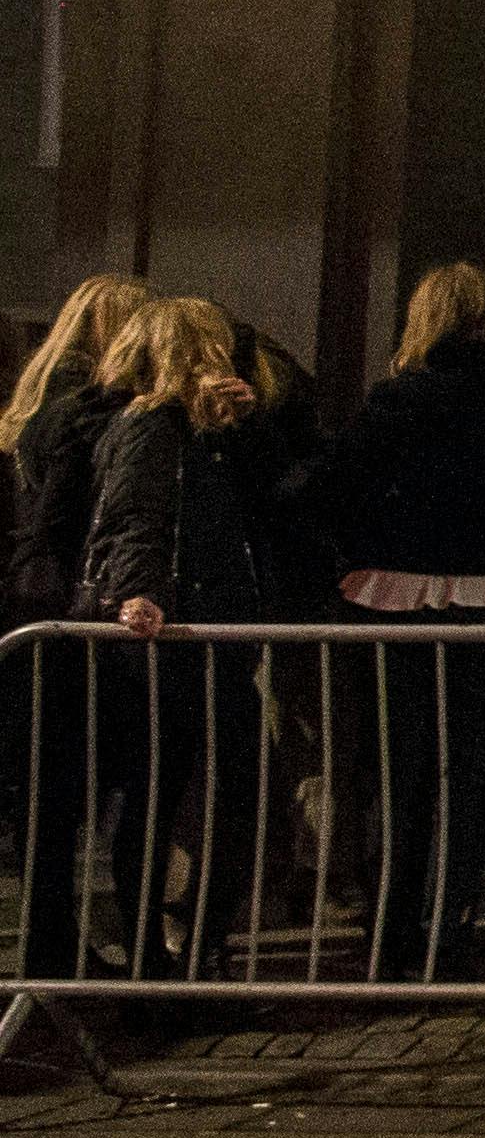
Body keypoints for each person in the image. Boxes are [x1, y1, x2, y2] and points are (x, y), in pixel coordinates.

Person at [314, 264, 485, 978]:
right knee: (468, 773)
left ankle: (391, 930)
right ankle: (449, 927)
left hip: (395, 593)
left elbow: (336, 485)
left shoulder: (396, 402)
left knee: (398, 774)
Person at [84, 298, 283, 980]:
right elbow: (135, 516)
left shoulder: (203, 431)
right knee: (172, 793)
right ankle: (163, 955)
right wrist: (140, 594)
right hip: (176, 639)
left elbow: (269, 500)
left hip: (209, 634)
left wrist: (255, 422)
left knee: (207, 794)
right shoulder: (152, 426)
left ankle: (187, 946)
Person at [11, 270, 153, 977]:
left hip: (39, 618)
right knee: (67, 792)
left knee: (52, 799)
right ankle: (53, 945)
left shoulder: (35, 403)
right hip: (69, 619)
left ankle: (51, 938)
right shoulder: (84, 410)